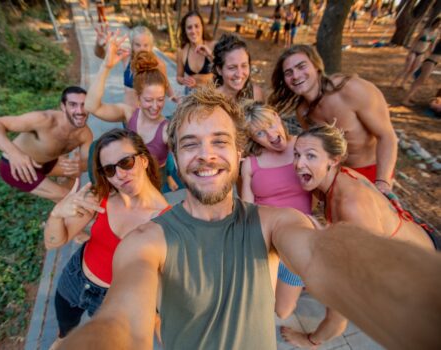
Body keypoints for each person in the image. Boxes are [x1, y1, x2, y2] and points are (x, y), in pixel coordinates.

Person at [59, 85, 441, 350]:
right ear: (173, 155)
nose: (206, 155)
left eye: (220, 141)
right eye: (190, 143)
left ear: (239, 152)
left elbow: (323, 256)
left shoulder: (274, 223)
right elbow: (122, 322)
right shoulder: (146, 240)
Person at [279, 123, 441, 348]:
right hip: (422, 240)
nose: (298, 164)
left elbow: (363, 278)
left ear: (333, 160)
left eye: (310, 156)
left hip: (422, 272)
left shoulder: (351, 204)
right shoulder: (331, 180)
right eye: (296, 154)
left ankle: (312, 341)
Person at [44, 129, 169, 349]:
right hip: (75, 280)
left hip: (111, 302)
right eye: (110, 170)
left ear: (143, 160)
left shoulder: (167, 221)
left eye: (126, 162)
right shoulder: (99, 197)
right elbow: (53, 242)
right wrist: (57, 214)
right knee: (64, 338)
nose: (120, 175)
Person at [269, 45, 398, 197]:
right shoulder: (303, 112)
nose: (296, 76)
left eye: (301, 66)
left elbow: (387, 136)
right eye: (288, 73)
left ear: (317, 66)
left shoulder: (351, 89)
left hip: (372, 172)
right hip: (339, 177)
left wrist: (383, 182)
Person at [240, 101, 311, 320]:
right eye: (260, 133)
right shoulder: (251, 164)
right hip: (266, 242)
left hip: (299, 240)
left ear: (277, 116)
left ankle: (301, 281)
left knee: (282, 310)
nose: (270, 135)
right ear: (253, 139)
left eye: (271, 124)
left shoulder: (303, 146)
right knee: (259, 301)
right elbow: (247, 209)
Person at [86, 32, 177, 190]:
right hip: (129, 184)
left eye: (160, 99)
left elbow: (182, 158)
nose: (155, 106)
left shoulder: (167, 129)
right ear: (139, 98)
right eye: (149, 100)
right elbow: (92, 106)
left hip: (155, 187)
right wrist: (106, 67)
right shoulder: (129, 114)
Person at [0, 86, 93, 203]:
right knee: (69, 197)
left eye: (84, 105)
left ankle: (62, 208)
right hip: (16, 168)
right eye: (73, 105)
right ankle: (60, 206)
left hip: (47, 163)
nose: (80, 111)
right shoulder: (43, 120)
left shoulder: (85, 134)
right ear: (63, 107)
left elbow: (85, 165)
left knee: (74, 176)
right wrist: (14, 153)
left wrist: (79, 166)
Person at [94, 25, 176, 107]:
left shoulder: (158, 64)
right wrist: (99, 44)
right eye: (138, 45)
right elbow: (101, 55)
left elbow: (166, 86)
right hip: (128, 115)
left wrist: (177, 99)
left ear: (151, 46)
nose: (142, 49)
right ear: (132, 45)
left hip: (148, 116)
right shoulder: (126, 56)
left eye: (146, 45)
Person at [212, 33, 264, 103]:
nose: (239, 74)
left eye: (244, 65)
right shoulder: (212, 100)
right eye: (232, 67)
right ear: (219, 70)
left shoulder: (256, 94)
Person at [392, 17, 440, 89]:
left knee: (413, 69)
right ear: (435, 23)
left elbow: (432, 46)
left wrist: (431, 55)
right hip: (414, 51)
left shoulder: (436, 33)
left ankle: (403, 84)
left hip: (422, 53)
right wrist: (409, 52)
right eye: (438, 23)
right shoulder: (425, 31)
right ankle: (394, 82)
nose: (439, 25)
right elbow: (415, 40)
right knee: (407, 68)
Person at [176, 11, 215, 95]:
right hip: (190, 96)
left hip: (211, 95)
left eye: (196, 26)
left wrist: (210, 55)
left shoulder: (212, 46)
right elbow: (179, 77)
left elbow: (222, 70)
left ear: (202, 27)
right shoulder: (181, 51)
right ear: (185, 31)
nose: (193, 31)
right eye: (189, 27)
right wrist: (184, 80)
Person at [402, 40, 441, 106]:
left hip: (432, 62)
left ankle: (409, 97)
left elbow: (431, 49)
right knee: (419, 81)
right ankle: (405, 99)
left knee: (419, 81)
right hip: (431, 62)